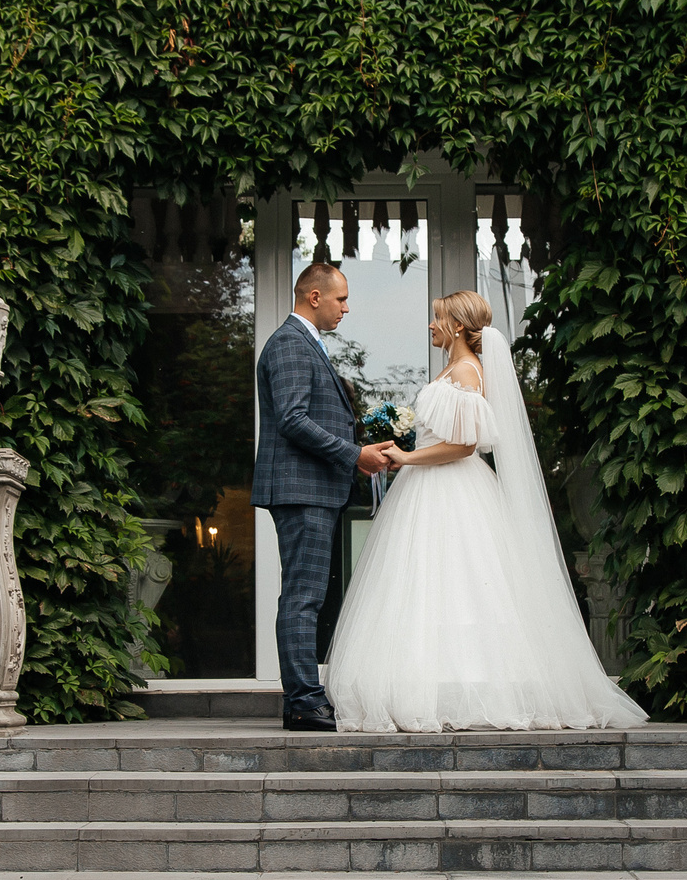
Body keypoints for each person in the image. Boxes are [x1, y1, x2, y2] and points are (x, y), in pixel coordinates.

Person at [326, 291, 648, 733]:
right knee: (435, 587)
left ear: (457, 326)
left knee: (454, 586)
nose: (431, 325)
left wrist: (406, 457)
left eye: (437, 318)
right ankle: (443, 690)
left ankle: (464, 695)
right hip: (432, 487)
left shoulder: (466, 370)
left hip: (450, 486)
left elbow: (464, 445)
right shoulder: (455, 368)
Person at [251, 261, 391, 731]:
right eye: (341, 299)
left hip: (310, 489)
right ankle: (304, 702)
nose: (346, 308)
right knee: (303, 597)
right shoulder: (290, 343)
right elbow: (292, 419)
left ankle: (305, 698)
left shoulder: (304, 344)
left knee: (305, 595)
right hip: (301, 489)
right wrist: (355, 455)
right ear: (314, 297)